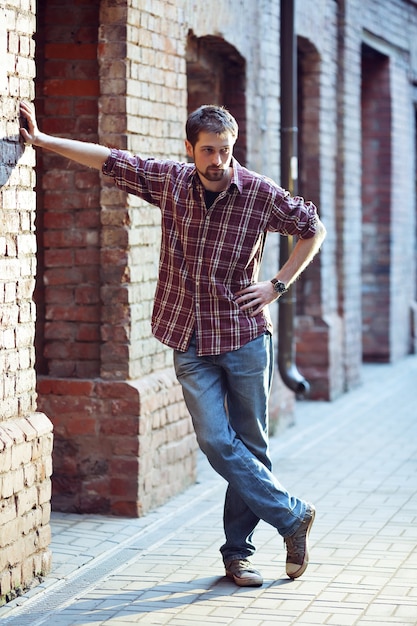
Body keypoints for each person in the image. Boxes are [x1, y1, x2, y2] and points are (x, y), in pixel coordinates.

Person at [20, 101, 326, 587]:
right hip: (186, 333)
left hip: (243, 334)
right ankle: (292, 517)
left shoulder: (259, 194)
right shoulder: (170, 181)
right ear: (190, 149)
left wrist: (278, 285)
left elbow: (313, 230)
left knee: (250, 446)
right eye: (208, 151)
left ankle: (237, 555)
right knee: (216, 442)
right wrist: (42, 141)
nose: (219, 161)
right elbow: (110, 160)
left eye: (226, 150)